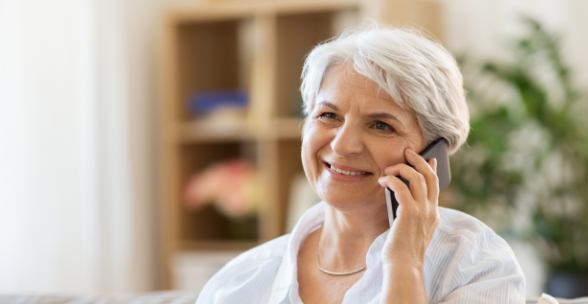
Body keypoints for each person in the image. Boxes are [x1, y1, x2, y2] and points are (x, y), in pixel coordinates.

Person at [196, 26, 526, 303]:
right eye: (328, 115)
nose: (342, 144)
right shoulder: (239, 284)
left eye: (381, 125)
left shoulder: (474, 265)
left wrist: (405, 264)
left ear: (434, 153)